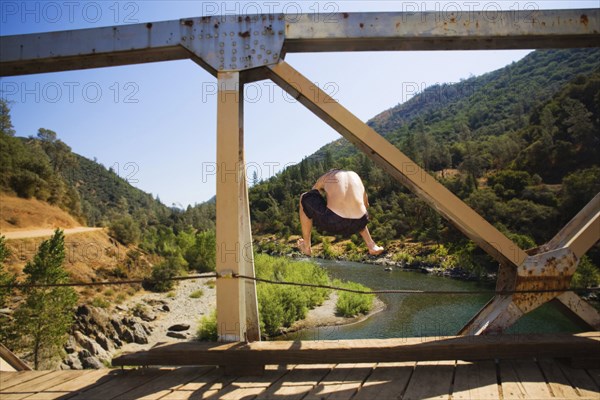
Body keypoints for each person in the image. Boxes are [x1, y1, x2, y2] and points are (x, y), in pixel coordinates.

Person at [298, 169, 384, 256]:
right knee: (358, 209)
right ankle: (371, 245)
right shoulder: (355, 176)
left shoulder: (327, 176)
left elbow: (313, 193)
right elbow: (366, 204)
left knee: (304, 197)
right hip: (360, 222)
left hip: (334, 221)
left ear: (332, 171)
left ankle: (306, 246)